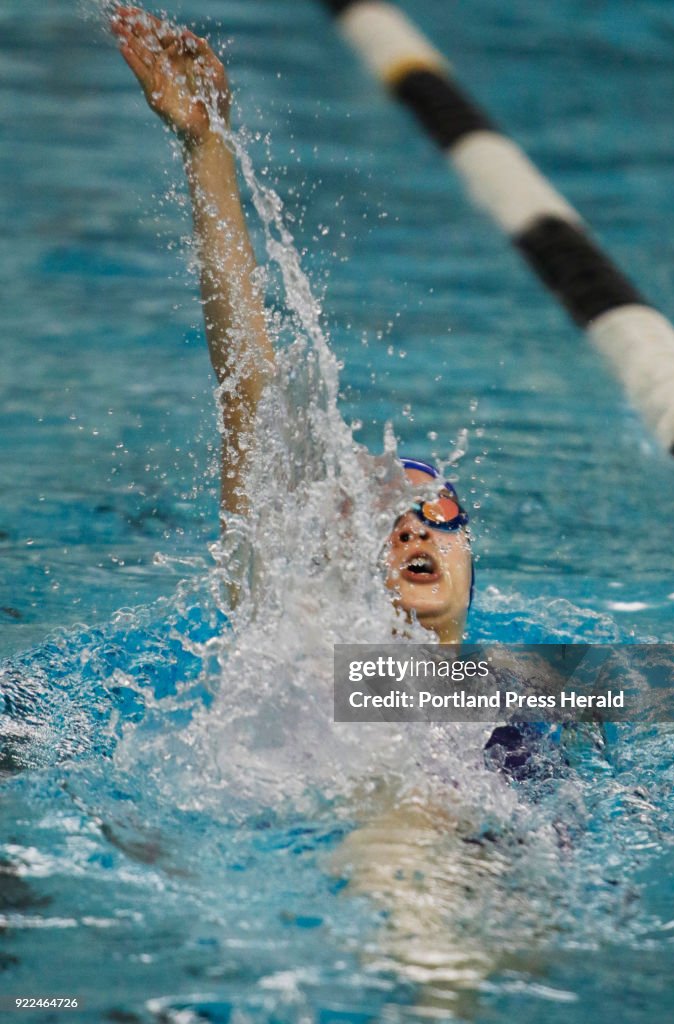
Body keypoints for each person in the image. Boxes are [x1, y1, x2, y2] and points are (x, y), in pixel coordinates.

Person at [110, 6, 473, 645]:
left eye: (438, 513)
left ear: (475, 567)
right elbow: (249, 395)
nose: (415, 529)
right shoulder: (302, 655)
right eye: (386, 523)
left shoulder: (534, 697)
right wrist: (205, 145)